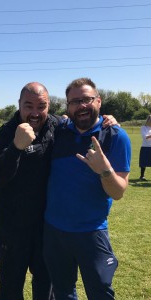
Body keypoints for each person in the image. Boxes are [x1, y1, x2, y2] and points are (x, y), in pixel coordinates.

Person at [0, 81, 117, 300]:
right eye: (28, 106)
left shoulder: (56, 126)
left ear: (49, 106)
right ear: (19, 105)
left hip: (46, 228)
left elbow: (84, 118)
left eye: (42, 106)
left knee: (46, 288)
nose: (35, 113)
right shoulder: (5, 133)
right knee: (10, 288)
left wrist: (108, 119)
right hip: (12, 229)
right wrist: (16, 147)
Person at [43, 78, 131, 300]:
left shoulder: (115, 136)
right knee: (63, 291)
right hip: (54, 231)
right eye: (74, 101)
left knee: (100, 292)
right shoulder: (60, 130)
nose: (81, 105)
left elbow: (118, 192)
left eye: (87, 99)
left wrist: (105, 170)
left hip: (91, 232)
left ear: (99, 101)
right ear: (68, 107)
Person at [139, 114, 151, 181]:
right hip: (145, 147)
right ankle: (142, 176)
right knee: (143, 162)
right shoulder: (143, 128)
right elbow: (145, 137)